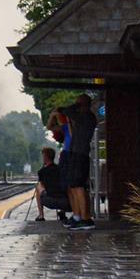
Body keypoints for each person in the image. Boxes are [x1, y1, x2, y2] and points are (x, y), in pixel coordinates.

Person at [60, 94, 98, 230]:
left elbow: (66, 111)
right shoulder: (86, 117)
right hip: (76, 153)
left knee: (78, 186)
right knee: (74, 185)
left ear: (83, 104)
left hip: (80, 154)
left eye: (78, 102)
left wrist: (77, 105)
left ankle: (85, 219)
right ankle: (78, 216)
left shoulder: (87, 117)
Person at [35, 146, 59, 221]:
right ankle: (62, 213)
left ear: (45, 157)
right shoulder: (60, 169)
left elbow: (42, 184)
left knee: (38, 187)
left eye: (43, 156)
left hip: (49, 197)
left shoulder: (42, 172)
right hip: (63, 197)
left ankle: (41, 215)